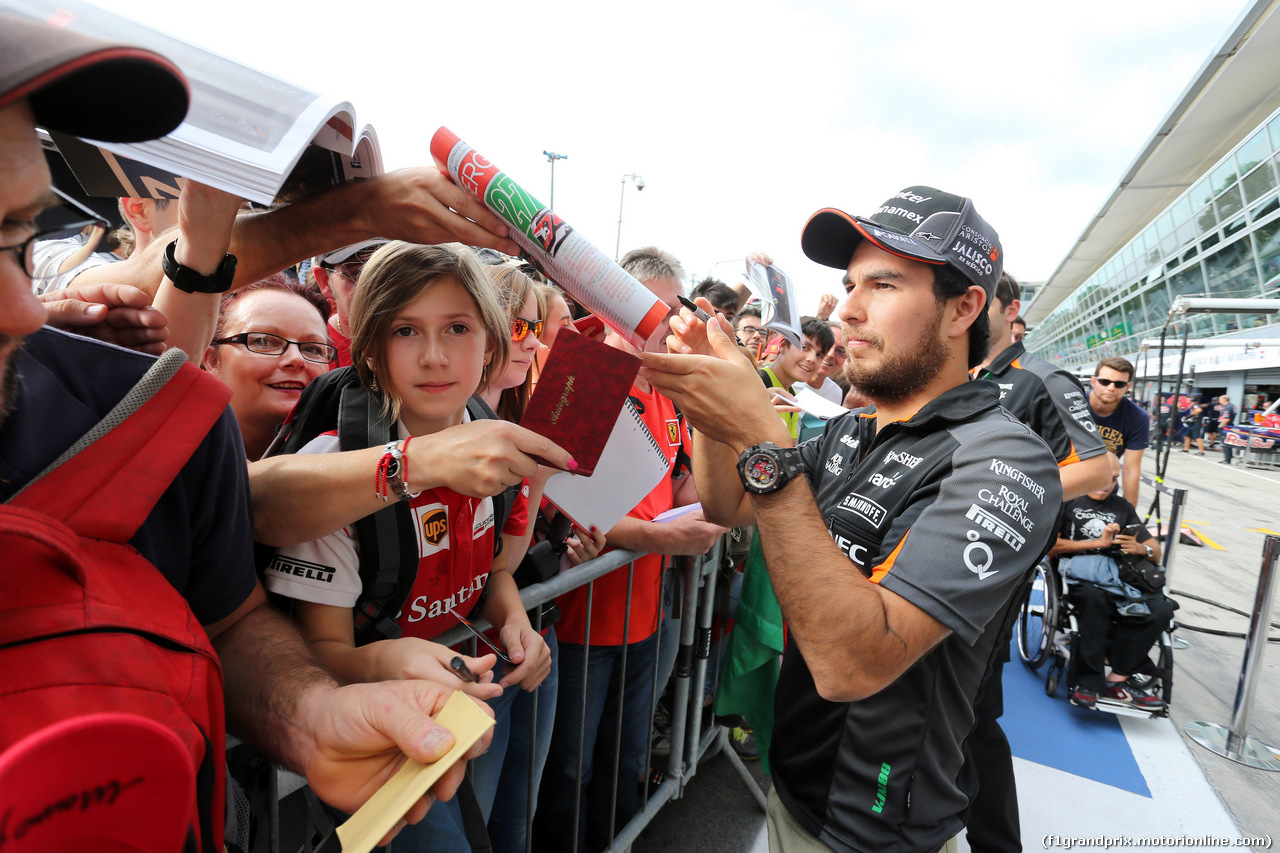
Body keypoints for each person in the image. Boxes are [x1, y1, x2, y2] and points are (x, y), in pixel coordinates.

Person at [0, 13, 488, 844]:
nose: (26, 306)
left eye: (16, 239)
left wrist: (309, 713)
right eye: (261, 341)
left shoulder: (109, 405)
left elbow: (226, 617)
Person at [644, 185, 1062, 852]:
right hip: (796, 788)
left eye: (884, 285)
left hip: (877, 828)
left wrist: (761, 433)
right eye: (849, 284)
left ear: (964, 307)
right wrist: (711, 409)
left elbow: (850, 663)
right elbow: (729, 505)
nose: (848, 309)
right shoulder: (852, 430)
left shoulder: (1005, 457)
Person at [535, 247, 725, 853]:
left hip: (646, 616)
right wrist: (656, 537)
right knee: (570, 771)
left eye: (676, 308)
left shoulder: (669, 393)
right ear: (616, 305)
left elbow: (680, 488)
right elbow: (551, 505)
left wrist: (718, 475)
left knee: (626, 757)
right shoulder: (584, 377)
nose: (673, 323)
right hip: (579, 622)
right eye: (660, 308)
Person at [964, 270, 1110, 853]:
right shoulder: (969, 377)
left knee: (973, 711)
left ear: (1008, 308)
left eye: (983, 305)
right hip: (949, 557)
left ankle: (997, 842)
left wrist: (1004, 491)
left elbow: (1096, 469)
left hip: (1000, 565)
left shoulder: (1044, 379)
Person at [1050, 455, 1171, 711]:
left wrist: (1140, 548)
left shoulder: (1123, 507)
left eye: (1115, 479)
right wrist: (1097, 543)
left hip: (1118, 574)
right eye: (1105, 477)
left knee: (1161, 608)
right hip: (1079, 573)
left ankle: (1119, 678)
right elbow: (1051, 546)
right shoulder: (1068, 499)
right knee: (1095, 600)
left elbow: (1155, 550)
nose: (1109, 484)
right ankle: (1088, 682)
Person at [202, 274, 335, 460]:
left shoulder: (358, 450)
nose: (296, 359)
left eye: (312, 349)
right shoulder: (179, 458)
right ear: (213, 361)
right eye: (264, 341)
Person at [1086, 356, 1149, 507]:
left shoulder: (1137, 417)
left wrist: (1130, 517)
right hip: (1064, 483)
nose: (1111, 388)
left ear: (1128, 387)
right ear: (1093, 381)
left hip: (1104, 491)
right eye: (1105, 382)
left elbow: (1130, 469)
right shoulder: (1071, 402)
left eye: (1119, 384)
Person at [313, 239, 385, 367]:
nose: (377, 285)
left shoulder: (426, 337)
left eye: (390, 271)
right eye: (358, 273)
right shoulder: (309, 350)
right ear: (326, 282)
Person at [759, 316, 834, 439]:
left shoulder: (792, 395)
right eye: (805, 347)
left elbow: (789, 446)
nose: (812, 359)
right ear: (783, 345)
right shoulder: (756, 382)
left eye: (820, 355)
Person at [1218, 395, 1238, 464]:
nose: (1219, 401)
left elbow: (1226, 419)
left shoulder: (1227, 407)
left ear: (1224, 400)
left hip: (1226, 426)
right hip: (1229, 425)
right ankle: (1228, 457)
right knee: (1228, 442)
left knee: (1225, 443)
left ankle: (1227, 459)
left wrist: (1220, 426)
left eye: (1220, 399)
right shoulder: (1232, 406)